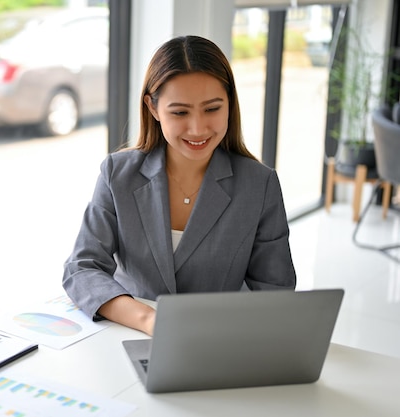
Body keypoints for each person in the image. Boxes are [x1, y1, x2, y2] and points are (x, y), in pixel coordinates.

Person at [62, 35, 296, 336]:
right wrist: (149, 320)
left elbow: (276, 294)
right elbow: (82, 267)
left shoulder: (259, 185)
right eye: (180, 112)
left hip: (218, 342)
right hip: (129, 333)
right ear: (153, 108)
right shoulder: (117, 174)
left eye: (212, 109)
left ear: (230, 104)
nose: (198, 128)